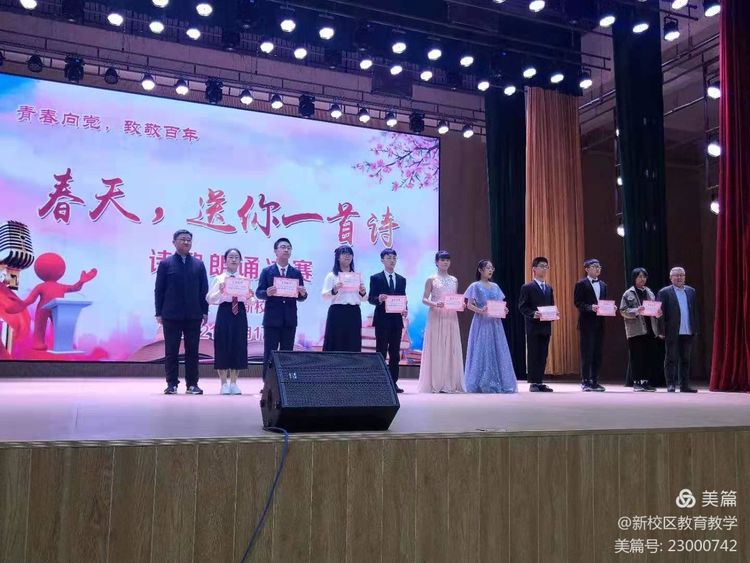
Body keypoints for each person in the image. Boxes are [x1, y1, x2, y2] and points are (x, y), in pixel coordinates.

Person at [154, 229, 208, 395]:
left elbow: (203, 290)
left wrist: (204, 311)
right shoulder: (166, 264)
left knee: (193, 351)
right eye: (183, 239)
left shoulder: (198, 265)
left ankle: (192, 384)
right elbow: (159, 290)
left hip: (193, 315)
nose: (186, 242)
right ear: (174, 242)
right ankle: (172, 384)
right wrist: (158, 312)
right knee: (171, 351)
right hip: (171, 315)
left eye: (189, 240)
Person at [255, 238, 308, 379]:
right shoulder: (267, 271)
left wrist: (303, 293)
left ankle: (286, 383)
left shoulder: (296, 273)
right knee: (270, 352)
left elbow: (301, 297)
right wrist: (267, 292)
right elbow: (258, 293)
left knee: (287, 353)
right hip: (272, 320)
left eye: (289, 248)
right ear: (275, 251)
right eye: (283, 247)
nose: (286, 250)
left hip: (289, 320)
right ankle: (267, 383)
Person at [463, 260, 517, 393]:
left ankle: (498, 381)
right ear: (480, 270)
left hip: (495, 322)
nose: (491, 270)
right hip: (482, 321)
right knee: (482, 349)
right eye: (488, 268)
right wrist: (480, 310)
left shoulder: (495, 286)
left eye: (492, 268)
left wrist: (504, 309)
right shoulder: (475, 286)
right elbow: (469, 305)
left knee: (497, 348)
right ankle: (482, 381)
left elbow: (500, 303)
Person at [206, 248, 254, 395]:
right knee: (223, 346)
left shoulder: (244, 280)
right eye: (231, 257)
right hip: (225, 311)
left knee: (238, 346)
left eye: (236, 257)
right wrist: (219, 291)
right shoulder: (219, 279)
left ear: (240, 261)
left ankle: (234, 383)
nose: (234, 259)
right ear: (225, 260)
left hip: (240, 312)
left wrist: (249, 295)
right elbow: (209, 299)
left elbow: (251, 302)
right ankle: (223, 384)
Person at [417, 251, 465, 393]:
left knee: (450, 346)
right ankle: (436, 382)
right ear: (436, 262)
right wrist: (434, 304)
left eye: (447, 260)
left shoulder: (454, 280)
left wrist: (461, 304)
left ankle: (449, 382)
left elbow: (454, 298)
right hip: (436, 315)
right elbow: (424, 299)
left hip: (451, 316)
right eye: (442, 260)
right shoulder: (431, 279)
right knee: (437, 346)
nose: (445, 262)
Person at [368, 248, 407, 393]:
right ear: (382, 260)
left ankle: (393, 382)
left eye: (394, 258)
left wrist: (405, 309)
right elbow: (370, 298)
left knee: (395, 354)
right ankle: (380, 382)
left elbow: (403, 298)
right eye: (389, 257)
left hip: (396, 320)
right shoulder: (375, 278)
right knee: (381, 352)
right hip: (382, 320)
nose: (392, 260)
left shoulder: (402, 279)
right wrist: (378, 298)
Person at [657, 267, 699, 393]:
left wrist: (695, 328)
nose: (679, 277)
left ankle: (684, 385)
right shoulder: (664, 292)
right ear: (671, 278)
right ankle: (671, 384)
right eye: (676, 275)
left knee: (686, 359)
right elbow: (660, 314)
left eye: (682, 275)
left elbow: (695, 311)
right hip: (672, 330)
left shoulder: (691, 291)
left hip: (688, 329)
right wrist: (661, 330)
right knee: (671, 358)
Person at [619, 267, 660, 392]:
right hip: (636, 330)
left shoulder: (650, 292)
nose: (642, 279)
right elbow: (622, 311)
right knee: (636, 357)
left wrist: (658, 313)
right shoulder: (628, 293)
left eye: (644, 277)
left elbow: (654, 308)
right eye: (640, 276)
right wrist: (636, 311)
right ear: (634, 278)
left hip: (650, 329)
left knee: (648, 356)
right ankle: (636, 382)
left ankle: (645, 382)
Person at [518, 256, 555, 392]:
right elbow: (522, 306)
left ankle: (540, 381)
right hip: (533, 326)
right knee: (533, 354)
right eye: (542, 266)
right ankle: (533, 382)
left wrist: (554, 313)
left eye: (546, 267)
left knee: (543, 354)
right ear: (534, 269)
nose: (544, 269)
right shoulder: (527, 287)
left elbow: (551, 305)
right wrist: (533, 313)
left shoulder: (549, 288)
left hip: (546, 326)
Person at [321, 245, 367, 352]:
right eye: (344, 253)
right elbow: (324, 296)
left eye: (350, 254)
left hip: (354, 312)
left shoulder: (357, 276)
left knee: (352, 343)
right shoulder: (332, 275)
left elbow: (364, 299)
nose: (347, 256)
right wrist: (334, 290)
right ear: (338, 257)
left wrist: (363, 293)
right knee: (335, 342)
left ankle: (351, 363)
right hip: (337, 312)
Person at [573, 258, 607, 392]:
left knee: (597, 353)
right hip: (587, 323)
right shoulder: (581, 284)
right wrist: (589, 307)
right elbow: (577, 302)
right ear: (587, 269)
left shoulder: (603, 285)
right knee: (587, 352)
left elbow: (604, 303)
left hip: (600, 323)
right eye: (594, 266)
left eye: (599, 266)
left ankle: (595, 380)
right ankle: (585, 381)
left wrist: (610, 308)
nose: (598, 268)